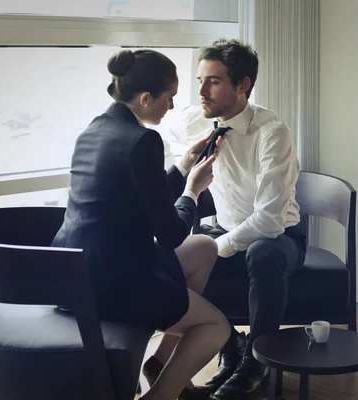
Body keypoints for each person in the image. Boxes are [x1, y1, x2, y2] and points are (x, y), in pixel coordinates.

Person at [51, 49, 230, 400]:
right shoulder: (144, 140)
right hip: (114, 283)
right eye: (170, 98)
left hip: (74, 275)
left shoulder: (95, 130)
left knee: (205, 247)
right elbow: (169, 234)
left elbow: (140, 195)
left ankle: (160, 361)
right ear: (146, 98)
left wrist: (181, 167)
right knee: (216, 326)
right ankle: (161, 394)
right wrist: (193, 190)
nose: (173, 107)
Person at [161, 39, 307, 400]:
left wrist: (216, 248)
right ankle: (230, 344)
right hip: (224, 227)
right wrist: (187, 158)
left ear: (242, 85)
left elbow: (270, 220)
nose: (200, 91)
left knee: (261, 253)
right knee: (176, 255)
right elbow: (171, 137)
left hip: (279, 238)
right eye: (199, 80)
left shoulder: (272, 133)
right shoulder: (196, 118)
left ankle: (257, 360)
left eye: (212, 81)